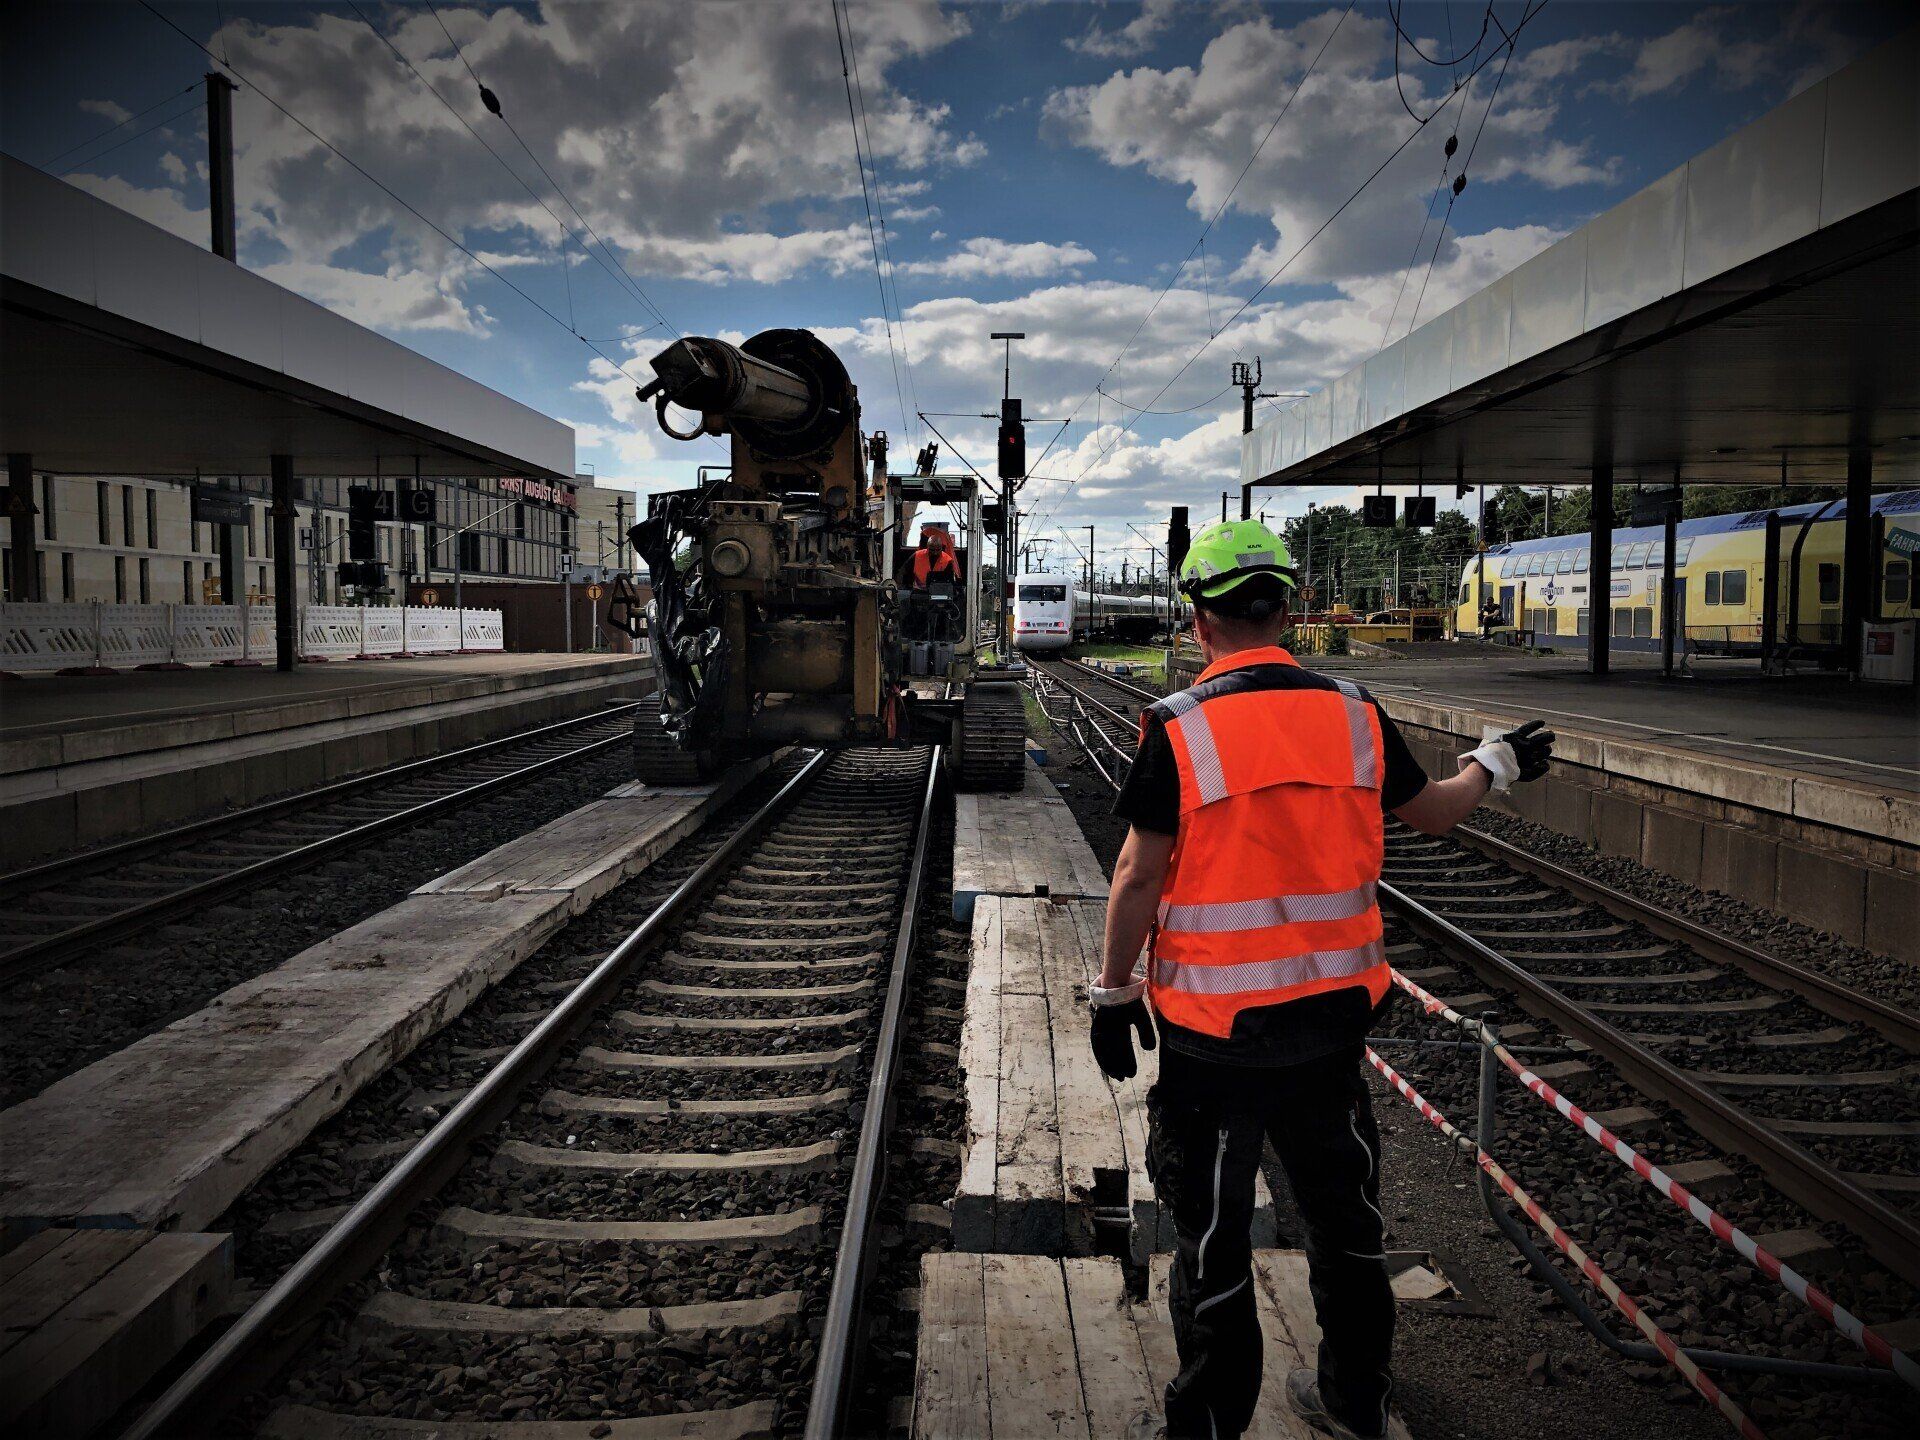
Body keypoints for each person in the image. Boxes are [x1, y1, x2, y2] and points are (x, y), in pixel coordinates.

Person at [1089, 519, 1553, 1440]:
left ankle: (1211, 1425)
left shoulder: (1181, 729)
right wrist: (1493, 763)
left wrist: (1113, 992)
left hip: (1216, 1040)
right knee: (1346, 1230)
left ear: (1197, 619)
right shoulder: (1354, 712)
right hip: (1332, 1030)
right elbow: (1435, 814)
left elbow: (1139, 875)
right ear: (1290, 609)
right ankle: (1354, 1407)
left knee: (1215, 1239)